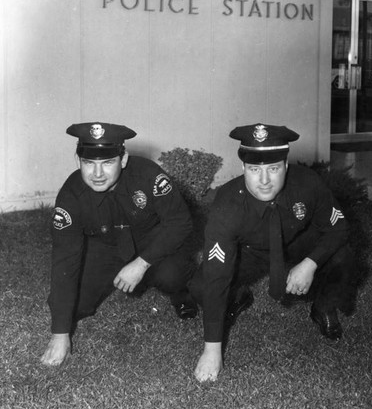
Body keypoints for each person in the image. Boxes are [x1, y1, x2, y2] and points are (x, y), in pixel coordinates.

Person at [189, 123, 355, 382]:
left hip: (296, 246)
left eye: (274, 168)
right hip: (249, 253)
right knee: (200, 285)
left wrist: (310, 263)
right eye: (255, 169)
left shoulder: (307, 183)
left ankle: (323, 307)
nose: (264, 180)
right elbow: (215, 276)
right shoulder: (228, 203)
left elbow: (339, 227)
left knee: (342, 255)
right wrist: (212, 349)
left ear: (286, 167)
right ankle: (238, 297)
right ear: (244, 168)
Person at [41, 122, 197, 366]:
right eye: (89, 163)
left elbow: (180, 223)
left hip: (151, 244)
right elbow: (64, 260)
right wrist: (60, 335)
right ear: (77, 160)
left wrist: (141, 263)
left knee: (172, 274)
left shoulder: (148, 175)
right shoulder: (71, 195)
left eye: (108, 162)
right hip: (106, 247)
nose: (97, 173)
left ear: (123, 159)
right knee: (72, 305)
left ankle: (181, 294)